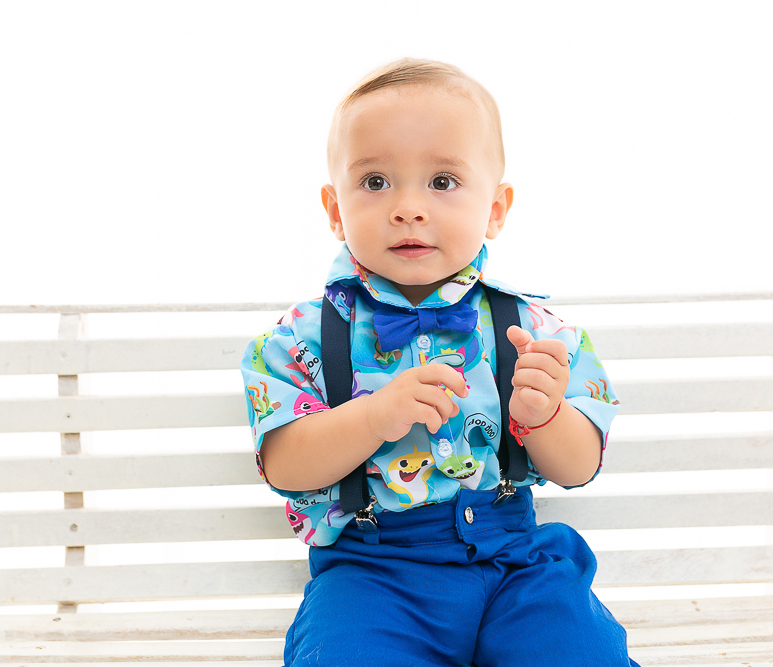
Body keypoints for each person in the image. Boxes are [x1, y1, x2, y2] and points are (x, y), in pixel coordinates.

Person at [241, 57, 639, 667]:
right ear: (334, 208)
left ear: (496, 209)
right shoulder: (302, 339)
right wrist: (372, 417)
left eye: (443, 182)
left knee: (574, 649)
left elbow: (579, 467)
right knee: (348, 655)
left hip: (515, 561)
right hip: (375, 572)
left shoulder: (536, 332)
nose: (408, 207)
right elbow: (286, 466)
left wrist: (545, 416)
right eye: (376, 181)